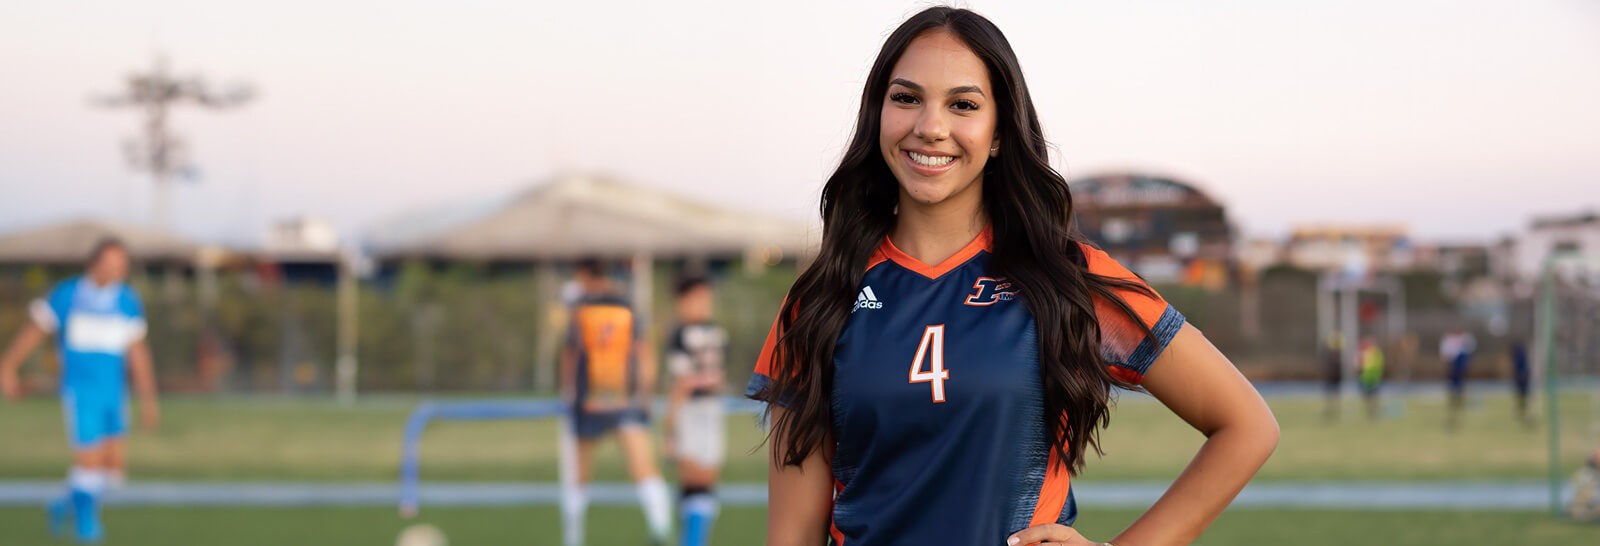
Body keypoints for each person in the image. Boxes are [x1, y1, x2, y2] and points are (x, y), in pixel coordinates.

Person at [743, 8, 1280, 545]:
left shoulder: (1068, 279)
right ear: (877, 115)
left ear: (999, 131)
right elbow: (791, 536)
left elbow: (1247, 426)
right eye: (906, 98)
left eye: (964, 105)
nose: (931, 126)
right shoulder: (819, 299)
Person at [0, 237, 160, 543]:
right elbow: (34, 332)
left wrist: (149, 399)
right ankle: (87, 525)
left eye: (122, 264)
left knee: (113, 472)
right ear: (93, 263)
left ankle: (63, 505)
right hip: (81, 392)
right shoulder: (68, 294)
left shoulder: (127, 300)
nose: (118, 270)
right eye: (111, 263)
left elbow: (138, 353)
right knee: (88, 462)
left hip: (114, 393)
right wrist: (8, 366)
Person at [558, 259, 671, 546]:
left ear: (584, 274)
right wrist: (645, 392)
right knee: (643, 466)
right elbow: (644, 352)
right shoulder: (627, 305)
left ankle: (574, 536)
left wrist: (567, 392)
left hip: (589, 397)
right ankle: (660, 526)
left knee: (579, 472)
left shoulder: (580, 309)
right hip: (625, 398)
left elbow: (571, 354)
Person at [662, 276, 728, 546]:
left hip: (710, 409)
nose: (704, 304)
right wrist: (670, 426)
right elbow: (681, 383)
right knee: (693, 477)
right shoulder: (679, 334)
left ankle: (695, 539)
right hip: (689, 411)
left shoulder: (717, 332)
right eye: (698, 298)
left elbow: (718, 377)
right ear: (683, 301)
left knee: (707, 479)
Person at [1358, 337, 1385, 421]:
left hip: (1373, 379)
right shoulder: (1364, 353)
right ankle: (1370, 412)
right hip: (1366, 379)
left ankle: (1373, 413)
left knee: (1373, 397)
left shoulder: (1376, 353)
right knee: (1368, 397)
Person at [1322, 330, 1344, 422]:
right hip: (1331, 380)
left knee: (1333, 397)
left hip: (1334, 380)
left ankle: (1333, 412)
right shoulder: (1332, 356)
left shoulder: (1337, 356)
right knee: (1331, 397)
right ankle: (1331, 412)